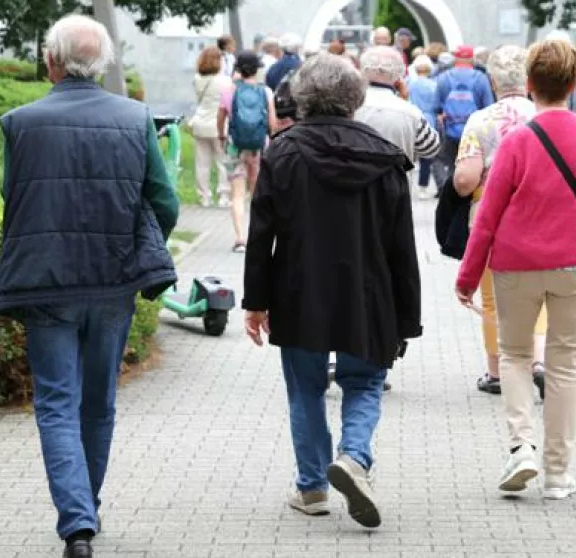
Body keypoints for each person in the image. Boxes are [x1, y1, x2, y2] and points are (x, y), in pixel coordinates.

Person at [0, 15, 179, 558]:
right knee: (98, 404)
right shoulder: (136, 118)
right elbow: (164, 200)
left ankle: (77, 524)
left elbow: (12, 194)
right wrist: (142, 246)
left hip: (46, 282)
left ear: (51, 60)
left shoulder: (19, 123)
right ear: (102, 64)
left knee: (56, 402)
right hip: (112, 282)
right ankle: (85, 509)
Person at [243, 52, 422, 529]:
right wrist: (407, 316)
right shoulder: (386, 158)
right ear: (355, 97)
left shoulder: (282, 152)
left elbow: (261, 234)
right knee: (364, 383)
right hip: (369, 293)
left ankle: (312, 488)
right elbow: (402, 245)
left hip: (299, 292)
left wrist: (256, 301)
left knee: (305, 388)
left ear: (302, 97)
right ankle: (354, 457)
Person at [455, 39, 576, 500]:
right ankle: (557, 474)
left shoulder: (516, 143)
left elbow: (486, 219)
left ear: (530, 83)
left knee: (513, 355)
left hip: (515, 266)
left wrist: (467, 277)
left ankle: (521, 448)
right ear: (573, 85)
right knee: (564, 363)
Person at [452, 45, 544, 396]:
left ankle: (497, 372)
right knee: (539, 294)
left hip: (493, 221)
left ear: (492, 80)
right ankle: (538, 362)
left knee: (494, 299)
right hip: (541, 217)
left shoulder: (480, 120)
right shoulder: (544, 117)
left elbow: (465, 180)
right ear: (530, 79)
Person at [217, 51, 278, 253]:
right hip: (260, 147)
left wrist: (221, 136)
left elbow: (221, 118)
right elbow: (272, 124)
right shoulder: (266, 92)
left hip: (235, 146)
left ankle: (240, 238)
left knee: (237, 193)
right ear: (257, 69)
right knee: (258, 192)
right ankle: (258, 237)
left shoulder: (229, 91)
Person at [356, 46, 440, 164]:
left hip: (355, 174)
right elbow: (431, 148)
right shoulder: (410, 112)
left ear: (362, 71)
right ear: (398, 77)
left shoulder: (350, 107)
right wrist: (405, 101)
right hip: (397, 174)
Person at [433, 45, 493, 196]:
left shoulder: (443, 77)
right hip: (474, 131)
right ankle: (468, 195)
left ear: (456, 58)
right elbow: (489, 106)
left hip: (449, 128)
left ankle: (448, 192)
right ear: (472, 59)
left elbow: (436, 106)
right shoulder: (481, 78)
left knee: (447, 162)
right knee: (472, 163)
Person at [189, 46, 233, 207]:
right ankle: (224, 196)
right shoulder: (225, 81)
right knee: (223, 162)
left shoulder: (197, 79)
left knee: (202, 163)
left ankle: (204, 196)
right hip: (219, 125)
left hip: (200, 124)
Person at [408, 54, 439, 199]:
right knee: (427, 155)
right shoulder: (434, 85)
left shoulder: (409, 83)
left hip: (411, 117)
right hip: (429, 118)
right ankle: (423, 186)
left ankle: (407, 182)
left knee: (409, 153)